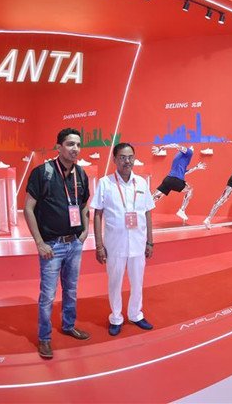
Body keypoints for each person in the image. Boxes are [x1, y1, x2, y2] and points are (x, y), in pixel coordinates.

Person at [24, 128, 91, 360]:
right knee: (48, 295)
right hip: (52, 246)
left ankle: (68, 325)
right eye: (70, 144)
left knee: (71, 290)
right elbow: (28, 208)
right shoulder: (43, 173)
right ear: (59, 147)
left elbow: (84, 205)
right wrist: (39, 243)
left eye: (78, 145)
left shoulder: (81, 174)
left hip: (74, 244)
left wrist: (85, 231)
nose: (75, 149)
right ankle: (44, 338)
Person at [91, 143, 156, 336]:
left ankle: (135, 314)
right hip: (115, 245)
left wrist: (150, 241)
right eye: (122, 157)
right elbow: (97, 214)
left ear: (134, 158)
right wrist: (99, 245)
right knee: (115, 282)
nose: (127, 161)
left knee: (137, 282)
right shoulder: (105, 183)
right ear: (114, 160)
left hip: (138, 243)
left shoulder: (141, 183)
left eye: (130, 157)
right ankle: (116, 317)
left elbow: (147, 213)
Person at [151, 143, 206, 223]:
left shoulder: (179, 157)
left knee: (153, 198)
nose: (192, 149)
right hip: (176, 180)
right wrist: (162, 147)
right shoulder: (189, 152)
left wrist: (196, 168)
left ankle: (143, 209)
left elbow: (184, 172)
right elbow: (176, 145)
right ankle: (182, 210)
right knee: (190, 189)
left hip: (168, 180)